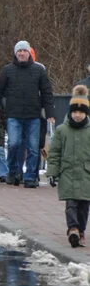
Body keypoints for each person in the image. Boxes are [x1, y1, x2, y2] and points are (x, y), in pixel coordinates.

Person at [0, 40, 54, 187]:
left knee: (33, 148)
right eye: (19, 51)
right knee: (13, 144)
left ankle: (30, 177)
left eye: (24, 51)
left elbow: (47, 92)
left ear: (29, 53)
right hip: (13, 115)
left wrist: (50, 112)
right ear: (15, 53)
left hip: (33, 116)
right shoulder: (7, 70)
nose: (21, 53)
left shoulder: (39, 71)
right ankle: (13, 172)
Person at [46, 85, 90, 248]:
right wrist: (52, 172)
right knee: (71, 204)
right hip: (68, 173)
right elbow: (55, 153)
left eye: (81, 112)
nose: (77, 115)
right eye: (75, 112)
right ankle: (73, 229)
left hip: (87, 174)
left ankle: (81, 230)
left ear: (86, 113)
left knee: (84, 206)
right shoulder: (62, 130)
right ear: (70, 112)